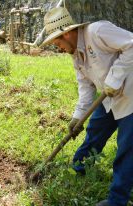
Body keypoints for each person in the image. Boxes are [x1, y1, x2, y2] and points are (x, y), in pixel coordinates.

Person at [40, 6, 133, 206]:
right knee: (94, 132)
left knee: (126, 149)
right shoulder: (76, 54)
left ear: (68, 33)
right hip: (108, 98)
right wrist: (77, 116)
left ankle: (117, 201)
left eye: (58, 42)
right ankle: (78, 170)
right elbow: (85, 87)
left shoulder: (98, 31)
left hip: (130, 98)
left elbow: (131, 44)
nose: (58, 48)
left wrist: (115, 79)